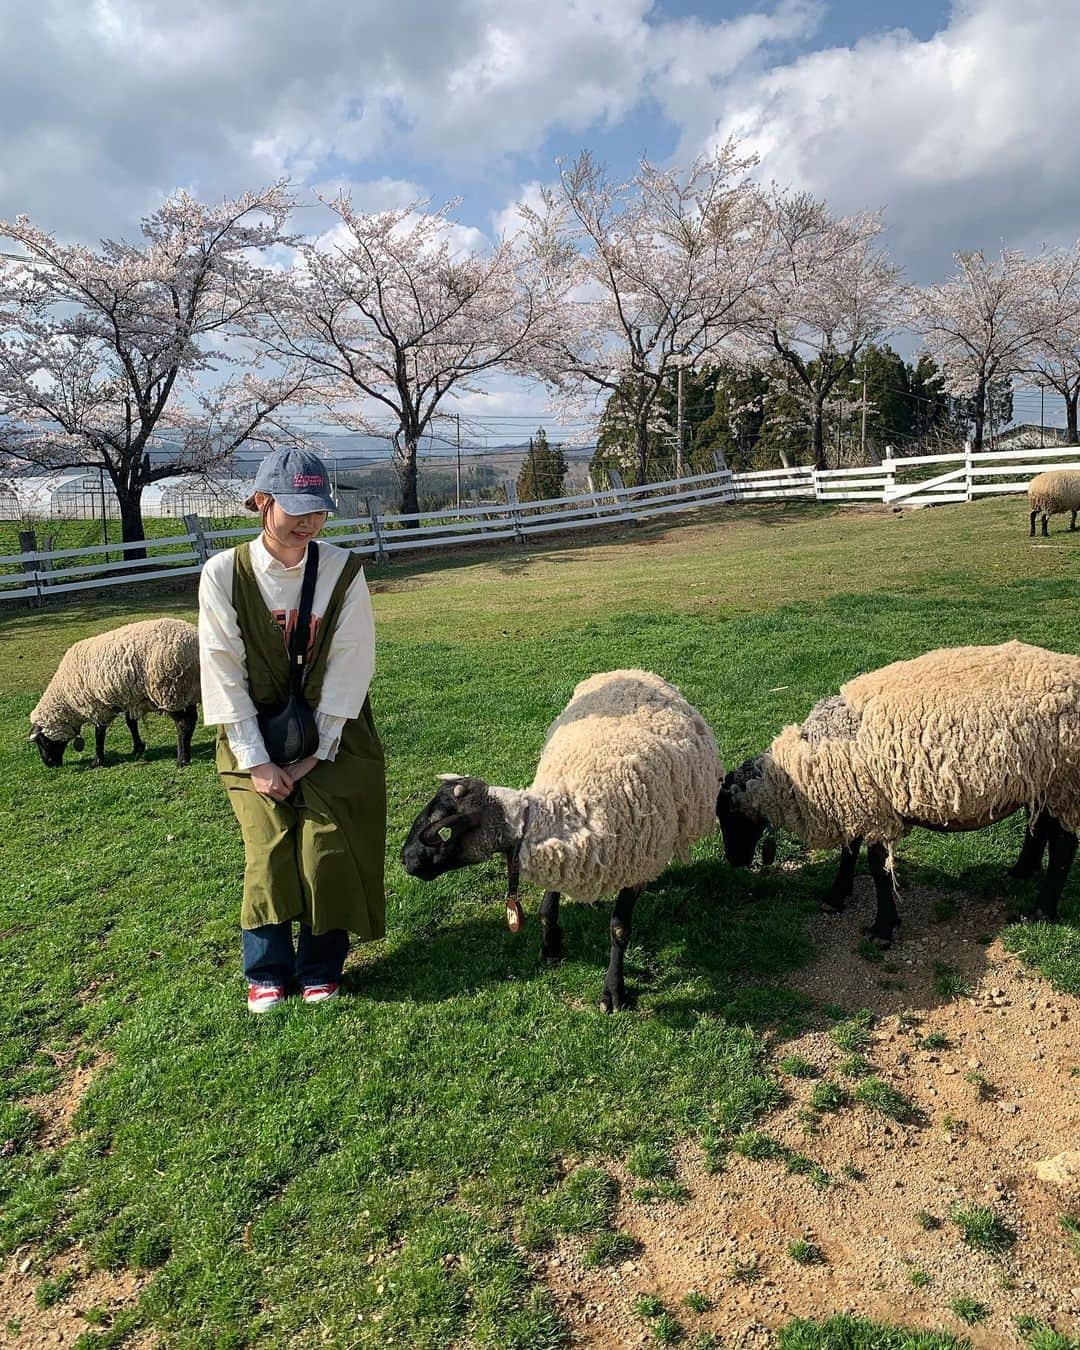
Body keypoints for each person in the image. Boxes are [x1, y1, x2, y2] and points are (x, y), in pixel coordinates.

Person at [198, 447, 386, 1012]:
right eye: (295, 508)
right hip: (249, 731)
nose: (308, 522)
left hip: (335, 728)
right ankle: (266, 970)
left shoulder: (342, 570)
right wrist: (257, 761)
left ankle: (321, 967)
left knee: (326, 844)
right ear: (262, 502)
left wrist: (316, 752)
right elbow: (222, 670)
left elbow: (353, 663)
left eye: (318, 510)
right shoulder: (223, 574)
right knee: (270, 846)